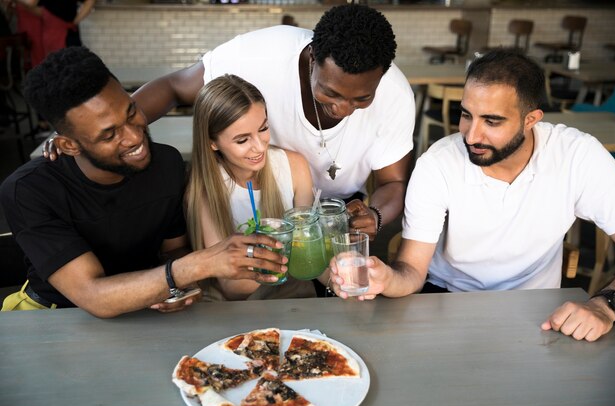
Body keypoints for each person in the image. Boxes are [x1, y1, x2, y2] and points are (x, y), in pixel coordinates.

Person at [329, 48, 615, 342]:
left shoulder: (577, 156)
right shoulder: (438, 164)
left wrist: (607, 305)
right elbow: (412, 271)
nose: (471, 136)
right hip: (446, 301)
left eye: (492, 121)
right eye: (466, 115)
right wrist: (386, 278)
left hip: (538, 310)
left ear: (531, 119)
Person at [0, 47, 287, 318]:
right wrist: (200, 264)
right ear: (69, 145)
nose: (135, 137)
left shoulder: (166, 164)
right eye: (110, 134)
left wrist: (177, 286)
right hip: (54, 315)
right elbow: (93, 295)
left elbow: (173, 250)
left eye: (131, 111)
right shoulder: (29, 190)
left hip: (147, 310)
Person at [131, 4, 415, 242]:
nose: (342, 109)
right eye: (330, 92)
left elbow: (393, 181)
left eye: (361, 99)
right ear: (312, 57)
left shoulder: (395, 95)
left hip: (338, 209)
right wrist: (122, 134)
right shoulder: (260, 56)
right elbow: (174, 87)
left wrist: (375, 215)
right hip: (262, 196)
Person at [187, 74, 315, 301]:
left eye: (263, 128)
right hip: (234, 309)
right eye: (242, 140)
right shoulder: (205, 190)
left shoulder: (295, 166)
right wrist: (274, 259)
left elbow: (308, 255)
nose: (259, 147)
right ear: (212, 143)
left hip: (293, 300)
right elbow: (230, 287)